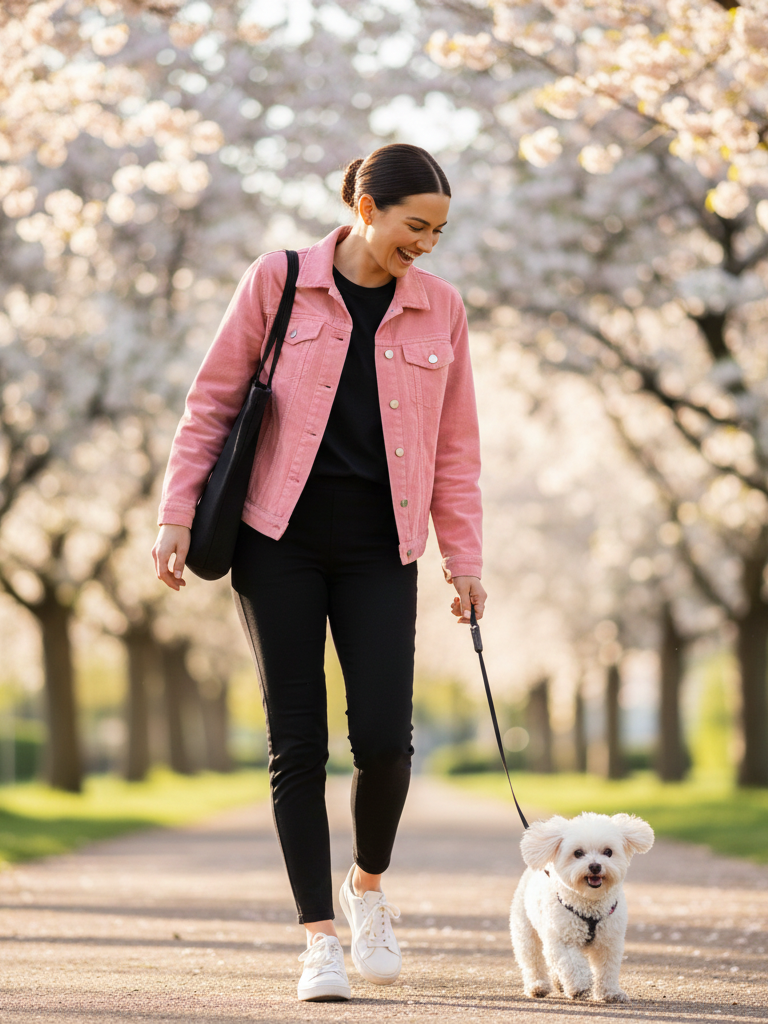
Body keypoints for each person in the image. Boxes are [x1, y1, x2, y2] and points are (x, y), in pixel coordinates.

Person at [152, 143, 486, 1002]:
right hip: (277, 538)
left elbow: (456, 449)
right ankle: (318, 940)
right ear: (367, 209)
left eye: (439, 231)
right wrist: (175, 513)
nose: (427, 244)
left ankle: (366, 888)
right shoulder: (279, 280)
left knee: (384, 742)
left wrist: (464, 560)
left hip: (384, 546)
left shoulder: (441, 309)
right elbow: (212, 403)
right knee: (296, 742)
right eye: (416, 226)